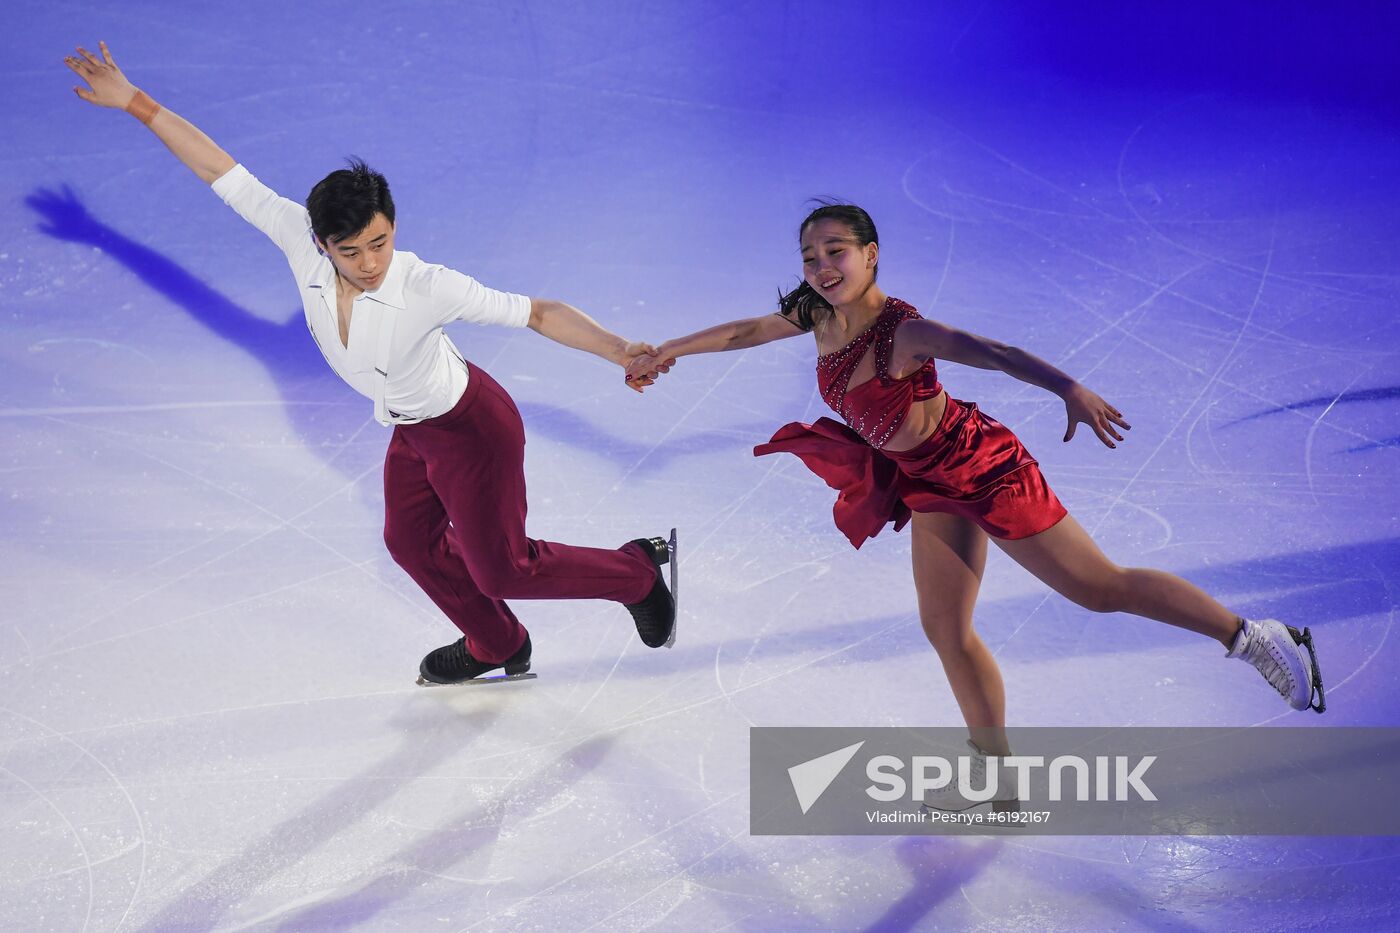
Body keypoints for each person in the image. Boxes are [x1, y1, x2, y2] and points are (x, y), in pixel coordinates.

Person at [629, 203, 1324, 806]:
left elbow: (995, 351)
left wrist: (1068, 387)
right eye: (811, 256)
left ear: (871, 255)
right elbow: (746, 331)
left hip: (983, 468)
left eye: (836, 251)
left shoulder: (902, 332)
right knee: (947, 630)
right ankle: (998, 784)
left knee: (1099, 588)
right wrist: (669, 350)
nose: (822, 266)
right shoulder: (818, 315)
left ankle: (1258, 637)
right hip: (928, 484)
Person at [64, 41, 676, 685]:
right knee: (409, 543)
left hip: (472, 429)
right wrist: (134, 102)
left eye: (380, 241)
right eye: (350, 250)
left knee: (504, 569)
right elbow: (222, 171)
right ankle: (498, 642)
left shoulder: (425, 284)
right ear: (322, 244)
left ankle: (636, 573)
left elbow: (539, 313)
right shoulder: (301, 245)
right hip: (411, 430)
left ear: (393, 227)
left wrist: (618, 350)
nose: (370, 261)